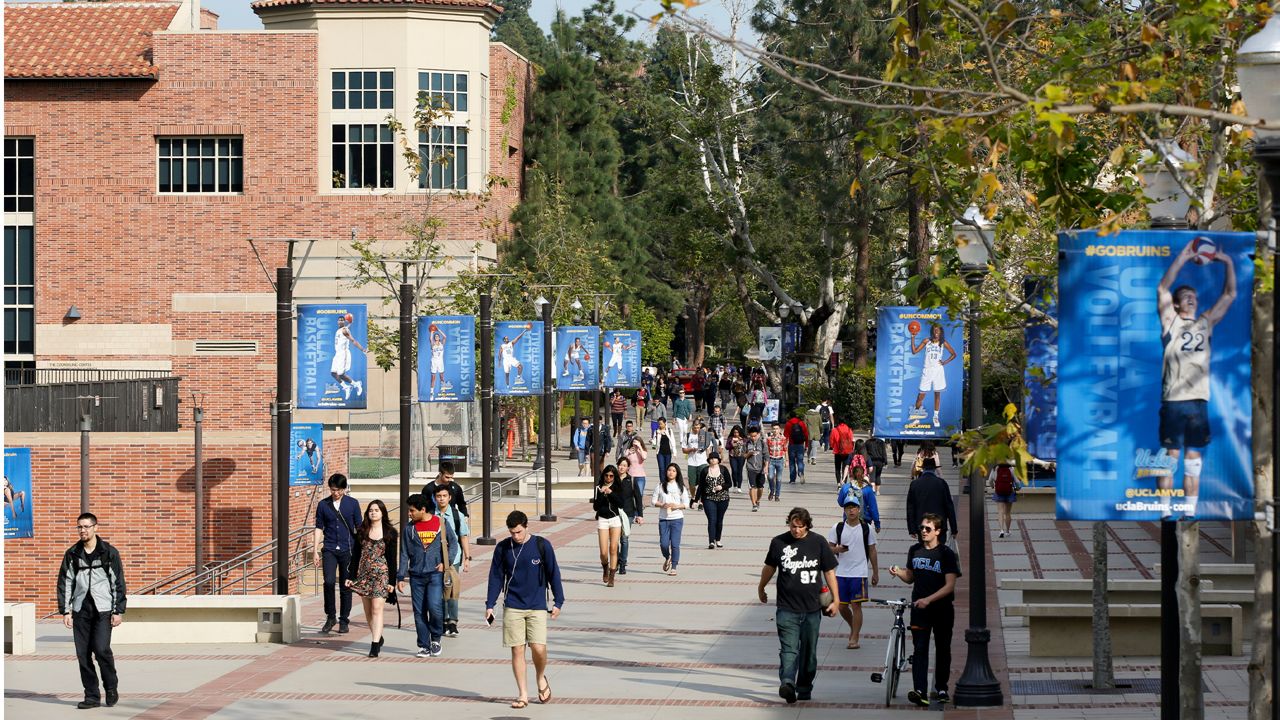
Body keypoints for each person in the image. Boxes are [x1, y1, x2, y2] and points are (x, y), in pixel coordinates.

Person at [1156, 235, 1237, 518]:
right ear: (1178, 305)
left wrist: (1227, 261)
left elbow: (1230, 295)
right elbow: (1163, 287)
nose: (1191, 299)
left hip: (1199, 401)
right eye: (1186, 297)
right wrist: (1184, 256)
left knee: (1193, 461)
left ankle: (1189, 514)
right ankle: (1165, 513)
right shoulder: (1171, 322)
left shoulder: (1206, 322)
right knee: (1170, 459)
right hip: (1175, 400)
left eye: (1193, 296)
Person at [758, 507, 839, 705]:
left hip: (812, 609)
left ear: (807, 526)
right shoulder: (779, 542)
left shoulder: (818, 542)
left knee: (809, 654)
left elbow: (829, 572)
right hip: (787, 608)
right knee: (789, 649)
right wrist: (761, 587)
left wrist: (836, 600)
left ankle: (804, 687)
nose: (796, 530)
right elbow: (769, 567)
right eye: (793, 526)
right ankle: (787, 683)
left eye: (800, 527)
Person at [486, 511, 565, 710]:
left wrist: (558, 601)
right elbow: (495, 576)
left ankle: (540, 677)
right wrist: (490, 604)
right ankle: (522, 693)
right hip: (513, 605)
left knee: (538, 648)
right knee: (517, 650)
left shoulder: (541, 545)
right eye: (512, 533)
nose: (516, 536)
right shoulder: (503, 548)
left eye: (519, 532)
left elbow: (553, 573)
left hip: (537, 605)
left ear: (526, 526)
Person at [889, 512, 961, 707]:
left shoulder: (946, 554)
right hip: (919, 610)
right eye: (921, 528)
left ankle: (941, 688)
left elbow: (949, 585)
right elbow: (910, 577)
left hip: (942, 610)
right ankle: (920, 690)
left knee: (942, 649)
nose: (923, 531)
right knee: (920, 649)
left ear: (937, 531)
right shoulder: (915, 550)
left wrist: (928, 600)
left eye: (927, 529)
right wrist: (899, 572)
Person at [58, 512, 126, 709]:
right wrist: (66, 611)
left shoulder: (108, 552)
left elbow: (118, 583)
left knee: (102, 649)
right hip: (81, 610)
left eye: (87, 526)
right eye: (80, 527)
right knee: (83, 654)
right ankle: (92, 696)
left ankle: (111, 687)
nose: (83, 530)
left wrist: (117, 610)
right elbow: (65, 582)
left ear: (96, 527)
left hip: (103, 609)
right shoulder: (72, 554)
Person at [396, 493, 458, 658]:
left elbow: (453, 544)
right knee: (419, 611)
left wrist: (447, 562)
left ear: (422, 510)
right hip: (416, 576)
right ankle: (423, 645)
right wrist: (400, 577)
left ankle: (435, 639)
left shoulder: (441, 523)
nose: (409, 514)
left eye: (412, 510)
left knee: (435, 608)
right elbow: (403, 554)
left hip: (435, 575)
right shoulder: (409, 529)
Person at [345, 499, 398, 657]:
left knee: (377, 609)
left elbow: (392, 560)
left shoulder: (390, 533)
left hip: (382, 575)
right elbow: (355, 556)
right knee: (368, 611)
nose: (373, 512)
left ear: (382, 513)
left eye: (376, 510)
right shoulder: (361, 531)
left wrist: (392, 582)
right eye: (370, 510)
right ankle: (378, 635)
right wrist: (350, 576)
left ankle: (374, 644)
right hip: (364, 574)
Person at [827, 496, 879, 649]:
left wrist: (875, 572)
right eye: (848, 507)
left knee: (856, 606)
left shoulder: (866, 528)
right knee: (842, 606)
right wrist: (837, 549)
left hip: (859, 572)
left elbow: (872, 550)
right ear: (844, 510)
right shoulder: (837, 527)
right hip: (841, 573)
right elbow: (828, 549)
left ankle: (854, 637)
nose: (851, 510)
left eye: (854, 507)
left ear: (859, 509)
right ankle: (853, 627)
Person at [313, 473, 362, 634]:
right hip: (329, 548)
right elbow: (319, 527)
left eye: (339, 490)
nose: (336, 493)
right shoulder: (323, 505)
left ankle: (344, 619)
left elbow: (359, 526)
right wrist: (315, 550)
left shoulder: (352, 504)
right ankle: (331, 616)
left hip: (348, 548)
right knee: (328, 582)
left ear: (344, 489)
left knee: (345, 585)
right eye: (333, 490)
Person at [434, 487, 471, 637]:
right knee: (441, 592)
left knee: (452, 590)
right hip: (436, 560)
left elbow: (463, 536)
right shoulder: (431, 515)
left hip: (453, 559)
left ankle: (453, 621)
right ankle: (443, 620)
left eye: (444, 495)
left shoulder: (457, 515)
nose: (441, 498)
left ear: (450, 497)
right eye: (438, 496)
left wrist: (467, 558)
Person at [910, 324, 957, 428]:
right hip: (927, 370)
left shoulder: (943, 343)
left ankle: (935, 417)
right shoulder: (927, 341)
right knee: (920, 396)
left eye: (938, 330)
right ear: (932, 331)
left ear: (941, 332)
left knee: (937, 394)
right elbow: (914, 351)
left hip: (938, 370)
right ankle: (917, 418)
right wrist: (913, 337)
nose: (936, 331)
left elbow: (954, 354)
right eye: (935, 330)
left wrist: (944, 362)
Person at [905, 458, 958, 545]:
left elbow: (910, 508)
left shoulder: (915, 484)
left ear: (923, 469)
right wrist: (954, 528)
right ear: (934, 469)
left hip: (922, 525)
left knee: (925, 550)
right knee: (940, 552)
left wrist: (912, 529)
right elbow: (949, 506)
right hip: (939, 525)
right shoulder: (941, 483)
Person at [651, 464, 690, 575]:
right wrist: (663, 505)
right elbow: (653, 501)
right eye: (669, 470)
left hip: (677, 519)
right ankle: (667, 556)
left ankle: (674, 567)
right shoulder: (660, 486)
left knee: (675, 544)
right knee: (663, 543)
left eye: (673, 470)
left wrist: (676, 506)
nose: (671, 472)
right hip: (663, 519)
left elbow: (686, 504)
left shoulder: (681, 487)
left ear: (677, 473)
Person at [593, 465, 625, 587]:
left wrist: (611, 493)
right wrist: (602, 494)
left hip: (615, 519)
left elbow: (621, 504)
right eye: (606, 475)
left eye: (611, 476)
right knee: (603, 552)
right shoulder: (598, 487)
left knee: (613, 548)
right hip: (603, 519)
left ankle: (612, 576)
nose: (608, 478)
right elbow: (595, 507)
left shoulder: (617, 487)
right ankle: (605, 567)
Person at [693, 451, 731, 549]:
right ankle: (711, 541)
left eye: (715, 458)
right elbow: (701, 486)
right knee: (712, 520)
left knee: (719, 520)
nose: (713, 460)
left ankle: (718, 539)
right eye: (711, 458)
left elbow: (729, 483)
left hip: (723, 499)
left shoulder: (723, 469)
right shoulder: (705, 470)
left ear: (718, 460)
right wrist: (696, 500)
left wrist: (722, 487)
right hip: (708, 499)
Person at [614, 457, 645, 576]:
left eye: (624, 465)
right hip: (615, 513)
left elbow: (638, 498)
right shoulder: (612, 479)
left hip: (628, 513)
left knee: (624, 539)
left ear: (628, 468)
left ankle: (622, 563)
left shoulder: (631, 480)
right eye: (620, 465)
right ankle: (615, 561)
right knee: (614, 540)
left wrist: (640, 515)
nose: (621, 467)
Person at [330, 313, 367, 400]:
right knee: (333, 373)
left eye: (342, 320)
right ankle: (346, 387)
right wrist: (351, 323)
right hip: (337, 354)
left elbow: (353, 340)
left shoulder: (344, 330)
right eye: (340, 320)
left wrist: (363, 349)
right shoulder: (340, 330)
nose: (341, 321)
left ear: (344, 321)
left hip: (343, 353)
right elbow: (347, 328)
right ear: (337, 321)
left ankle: (356, 384)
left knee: (341, 374)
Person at [989, 461, 1021, 537]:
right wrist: (1018, 488)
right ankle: (1007, 531)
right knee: (1008, 513)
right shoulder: (1011, 469)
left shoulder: (995, 469)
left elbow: (990, 480)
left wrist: (992, 486)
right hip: (1009, 492)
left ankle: (1001, 530)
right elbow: (1017, 481)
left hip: (999, 492)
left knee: (1000, 511)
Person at [683, 417, 711, 491]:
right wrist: (691, 449)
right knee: (692, 484)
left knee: (702, 483)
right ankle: (693, 497)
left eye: (698, 428)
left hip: (702, 462)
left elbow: (708, 449)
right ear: (692, 427)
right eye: (695, 428)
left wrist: (710, 461)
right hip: (691, 463)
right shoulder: (688, 436)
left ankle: (701, 500)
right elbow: (684, 450)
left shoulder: (704, 435)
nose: (696, 429)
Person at [744, 425, 768, 511]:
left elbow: (766, 456)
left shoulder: (762, 443)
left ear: (758, 434)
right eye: (751, 436)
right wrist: (749, 453)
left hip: (760, 468)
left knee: (760, 487)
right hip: (750, 468)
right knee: (752, 487)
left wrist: (766, 467)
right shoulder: (747, 443)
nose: (753, 438)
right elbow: (744, 455)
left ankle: (758, 500)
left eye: (755, 436)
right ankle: (754, 504)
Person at [783, 412, 810, 485]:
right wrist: (806, 445)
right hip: (800, 445)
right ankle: (801, 472)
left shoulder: (788, 424)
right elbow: (806, 435)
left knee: (792, 462)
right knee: (800, 461)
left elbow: (785, 436)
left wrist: (784, 446)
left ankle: (792, 480)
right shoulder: (801, 423)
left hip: (792, 445)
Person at [766, 423, 788, 502]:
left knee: (779, 479)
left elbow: (785, 450)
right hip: (771, 460)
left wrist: (786, 461)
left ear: (780, 430)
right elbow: (767, 451)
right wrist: (765, 462)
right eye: (774, 429)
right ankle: (772, 491)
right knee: (770, 477)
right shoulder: (769, 439)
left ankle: (777, 495)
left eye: (777, 429)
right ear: (772, 429)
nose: (775, 430)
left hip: (780, 460)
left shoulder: (783, 438)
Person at [427, 323, 447, 399]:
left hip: (440, 362)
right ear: (435, 338)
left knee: (442, 377)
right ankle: (432, 392)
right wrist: (432, 331)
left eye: (437, 336)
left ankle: (443, 391)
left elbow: (445, 336)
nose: (437, 337)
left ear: (439, 337)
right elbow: (430, 338)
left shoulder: (442, 344)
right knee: (433, 377)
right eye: (436, 336)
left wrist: (438, 329)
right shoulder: (433, 344)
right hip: (434, 361)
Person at [726, 425, 747, 493]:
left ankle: (739, 487)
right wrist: (732, 445)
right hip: (733, 456)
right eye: (735, 432)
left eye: (737, 432)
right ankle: (735, 485)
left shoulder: (743, 438)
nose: (736, 434)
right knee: (734, 470)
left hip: (741, 456)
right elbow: (727, 447)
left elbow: (747, 445)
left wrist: (742, 442)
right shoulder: (730, 438)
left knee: (739, 471)